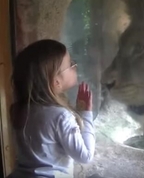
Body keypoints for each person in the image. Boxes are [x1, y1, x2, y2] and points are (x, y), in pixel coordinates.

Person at [7, 39, 95, 178]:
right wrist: (86, 114)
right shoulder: (61, 116)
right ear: (56, 81)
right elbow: (85, 156)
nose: (75, 66)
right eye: (71, 65)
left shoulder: (20, 109)